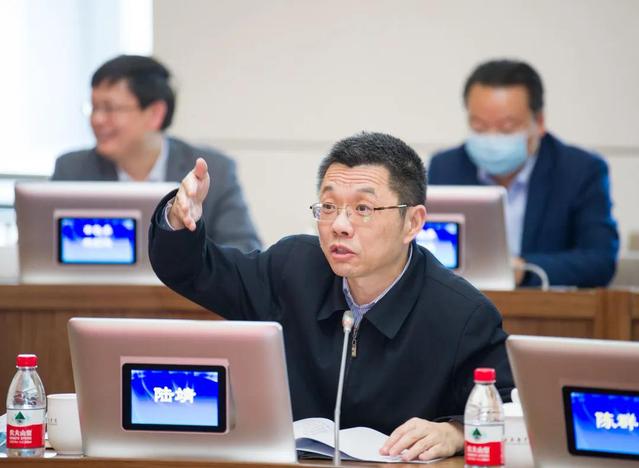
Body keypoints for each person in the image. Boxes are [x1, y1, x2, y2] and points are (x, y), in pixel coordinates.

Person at [149, 132, 514, 461]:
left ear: (413, 223)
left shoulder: (462, 315)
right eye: (328, 206)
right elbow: (196, 271)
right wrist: (180, 219)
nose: (339, 225)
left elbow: (509, 408)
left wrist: (456, 432)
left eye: (363, 209)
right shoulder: (290, 269)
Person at [428, 59, 619, 287]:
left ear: (539, 122)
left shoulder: (580, 170)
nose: (492, 138)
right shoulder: (445, 167)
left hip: (544, 305)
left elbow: (600, 260)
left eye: (507, 127)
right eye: (479, 126)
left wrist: (524, 270)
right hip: (462, 302)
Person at [52, 55, 260, 253]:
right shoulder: (72, 170)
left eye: (109, 108)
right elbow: (47, 251)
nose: (97, 120)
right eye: (94, 108)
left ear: (155, 114)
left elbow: (243, 250)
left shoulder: (213, 171)